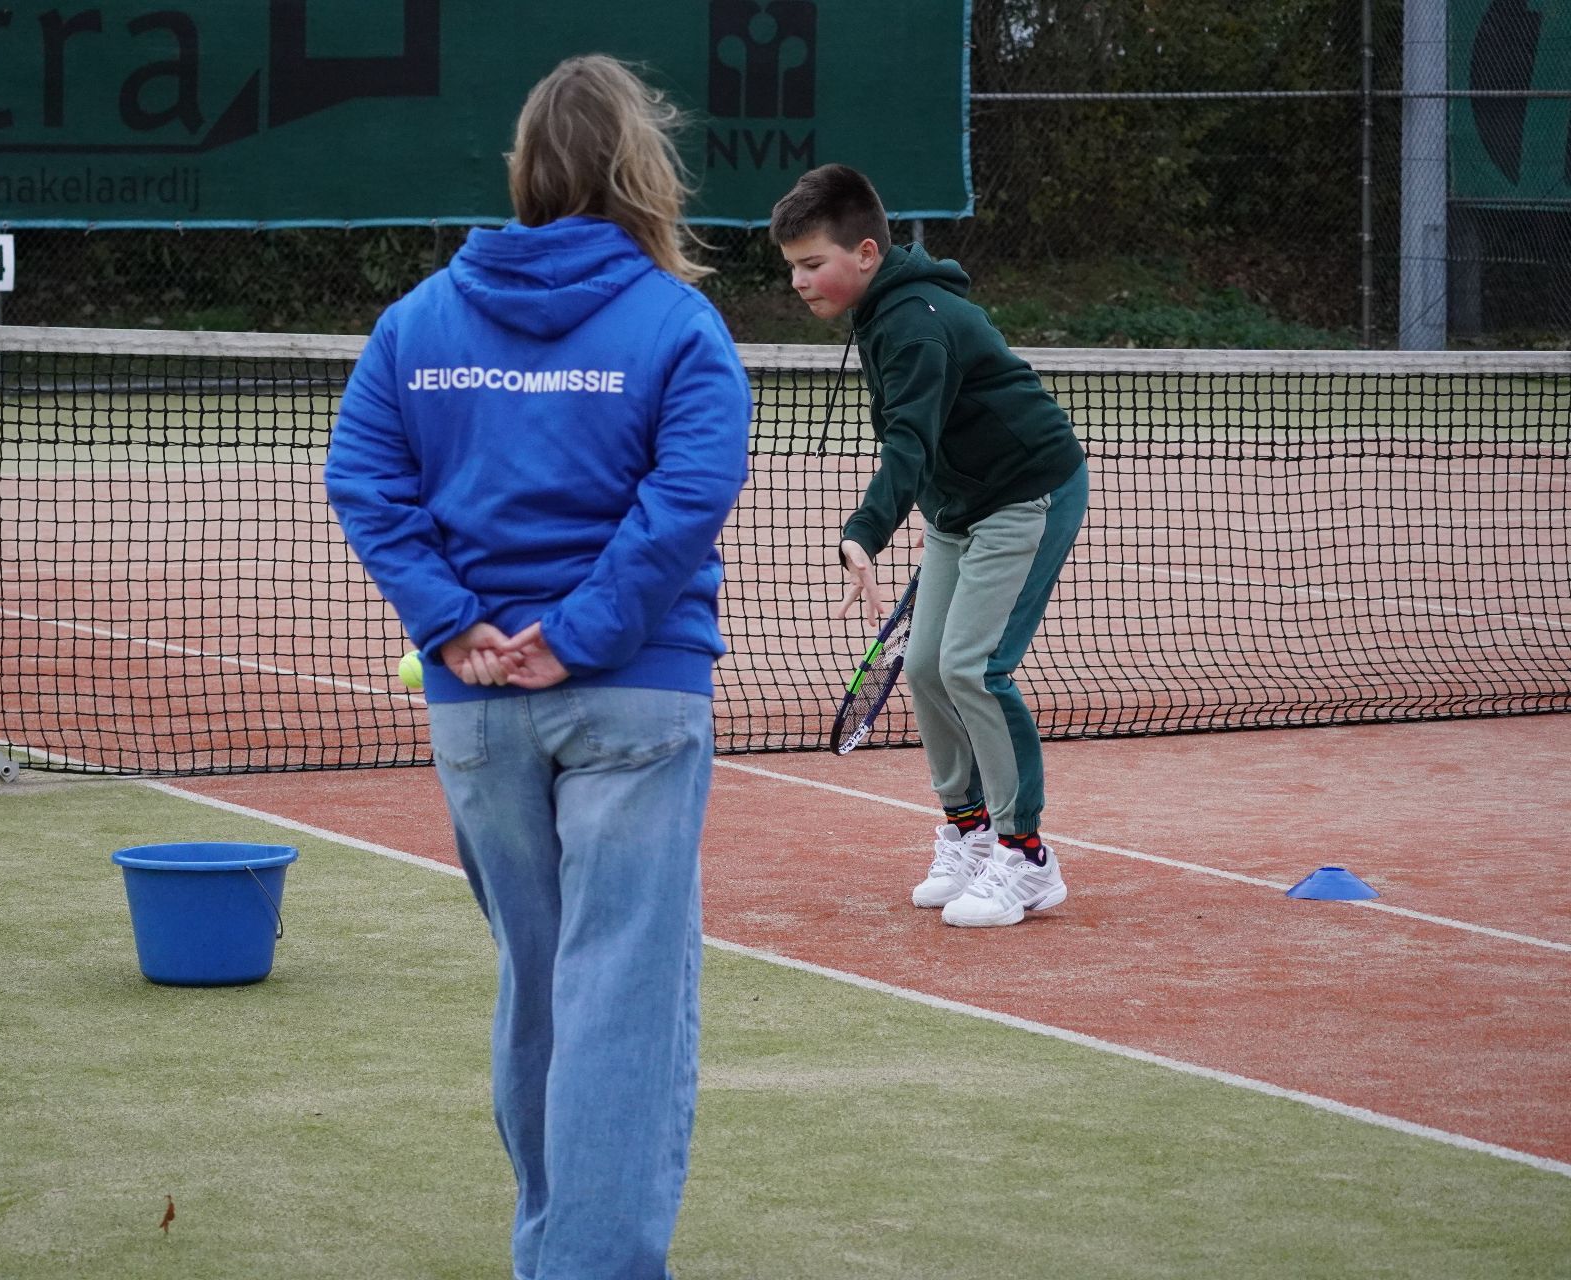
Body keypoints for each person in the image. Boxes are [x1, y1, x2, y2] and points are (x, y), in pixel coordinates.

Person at [324, 55, 751, 1280]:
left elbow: (363, 477)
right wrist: (574, 632)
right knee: (620, 995)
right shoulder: (680, 323)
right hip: (636, 694)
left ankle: (553, 1253)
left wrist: (453, 624)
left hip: (477, 707)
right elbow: (688, 498)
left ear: (526, 170)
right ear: (639, 170)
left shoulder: (416, 323)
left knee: (542, 982)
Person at [769, 163, 1088, 928]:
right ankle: (970, 831)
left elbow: (908, 441)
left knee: (974, 668)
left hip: (1025, 492)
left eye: (812, 264)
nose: (800, 282)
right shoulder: (879, 314)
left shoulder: (914, 321)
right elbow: (920, 441)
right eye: (792, 268)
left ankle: (1026, 856)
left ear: (866, 254)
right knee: (922, 666)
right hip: (957, 506)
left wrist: (864, 533)